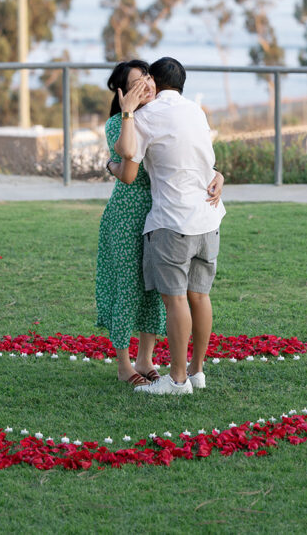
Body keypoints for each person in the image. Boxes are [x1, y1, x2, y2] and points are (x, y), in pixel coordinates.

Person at [95, 60, 224, 389]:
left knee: (170, 297)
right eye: (136, 83)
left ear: (157, 81)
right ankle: (186, 372)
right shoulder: (190, 111)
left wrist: (216, 175)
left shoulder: (148, 116)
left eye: (147, 79)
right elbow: (130, 170)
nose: (145, 87)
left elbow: (128, 164)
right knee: (158, 292)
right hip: (169, 216)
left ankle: (170, 372)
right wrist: (126, 114)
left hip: (169, 217)